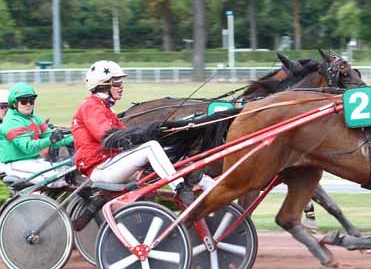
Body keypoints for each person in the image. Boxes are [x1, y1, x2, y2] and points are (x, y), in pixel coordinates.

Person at [70, 60, 213, 230]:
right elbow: (109, 137)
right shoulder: (91, 106)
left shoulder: (105, 108)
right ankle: (180, 188)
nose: (121, 86)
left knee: (168, 152)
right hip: (100, 169)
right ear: (103, 85)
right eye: (117, 82)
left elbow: (128, 137)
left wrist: (159, 132)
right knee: (150, 147)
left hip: (111, 164)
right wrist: (145, 134)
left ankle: (205, 183)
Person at [0, 83, 74, 186]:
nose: (28, 104)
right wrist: (51, 140)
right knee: (56, 178)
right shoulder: (11, 122)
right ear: (14, 103)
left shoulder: (34, 118)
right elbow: (28, 147)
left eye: (31, 101)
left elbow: (54, 140)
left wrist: (75, 136)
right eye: (24, 101)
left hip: (34, 161)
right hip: (15, 164)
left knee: (69, 171)